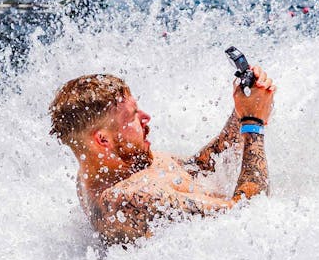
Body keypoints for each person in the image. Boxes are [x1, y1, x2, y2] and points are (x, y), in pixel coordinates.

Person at [49, 69, 276, 245]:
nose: (146, 117)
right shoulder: (127, 201)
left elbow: (198, 168)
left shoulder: (115, 164)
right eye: (132, 116)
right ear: (103, 140)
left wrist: (242, 110)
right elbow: (248, 214)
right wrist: (253, 124)